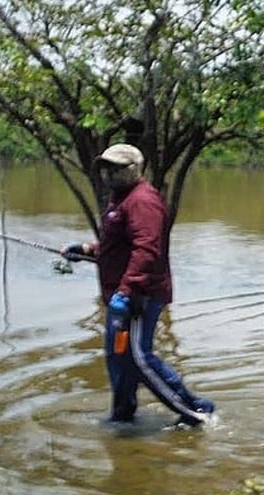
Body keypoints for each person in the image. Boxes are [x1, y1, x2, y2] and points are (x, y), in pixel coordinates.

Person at [61, 143, 215, 427]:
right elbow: (118, 248)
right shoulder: (120, 200)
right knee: (119, 358)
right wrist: (86, 250)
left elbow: (147, 249)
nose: (110, 174)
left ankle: (197, 412)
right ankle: (123, 417)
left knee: (138, 358)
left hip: (138, 297)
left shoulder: (142, 201)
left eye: (118, 168)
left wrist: (128, 290)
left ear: (135, 170)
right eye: (107, 168)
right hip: (123, 296)